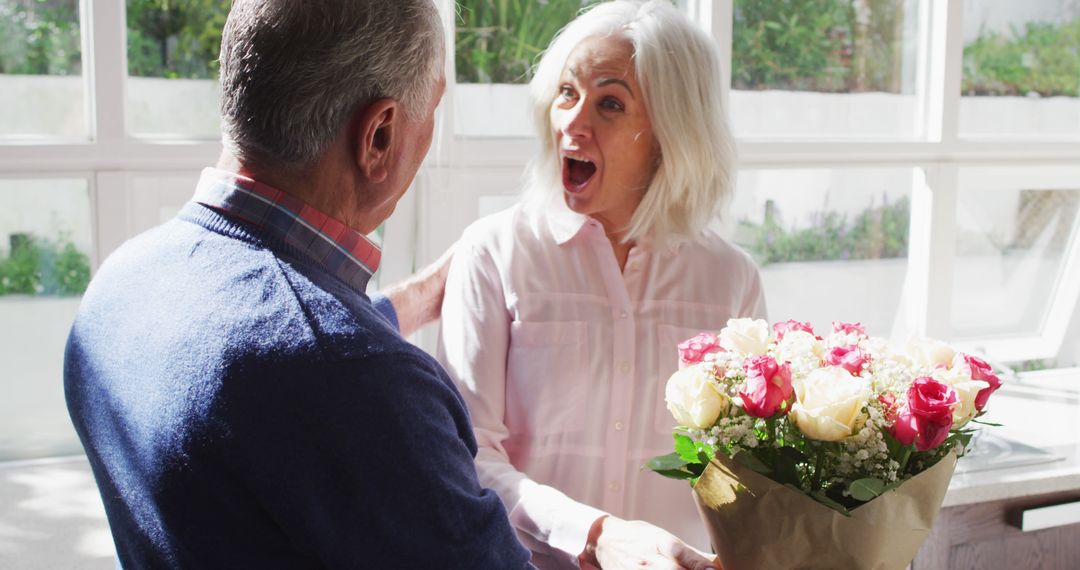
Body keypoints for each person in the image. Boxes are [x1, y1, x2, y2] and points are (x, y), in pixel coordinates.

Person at [63, 1, 531, 567]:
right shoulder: (357, 381)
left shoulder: (119, 286)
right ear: (378, 136)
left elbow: (270, 364)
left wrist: (417, 297)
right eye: (430, 110)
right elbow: (319, 371)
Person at [437, 1, 766, 568]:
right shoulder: (493, 253)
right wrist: (593, 534)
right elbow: (465, 455)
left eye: (610, 103)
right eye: (567, 93)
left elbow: (745, 469)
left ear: (669, 132)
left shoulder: (731, 281)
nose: (573, 122)